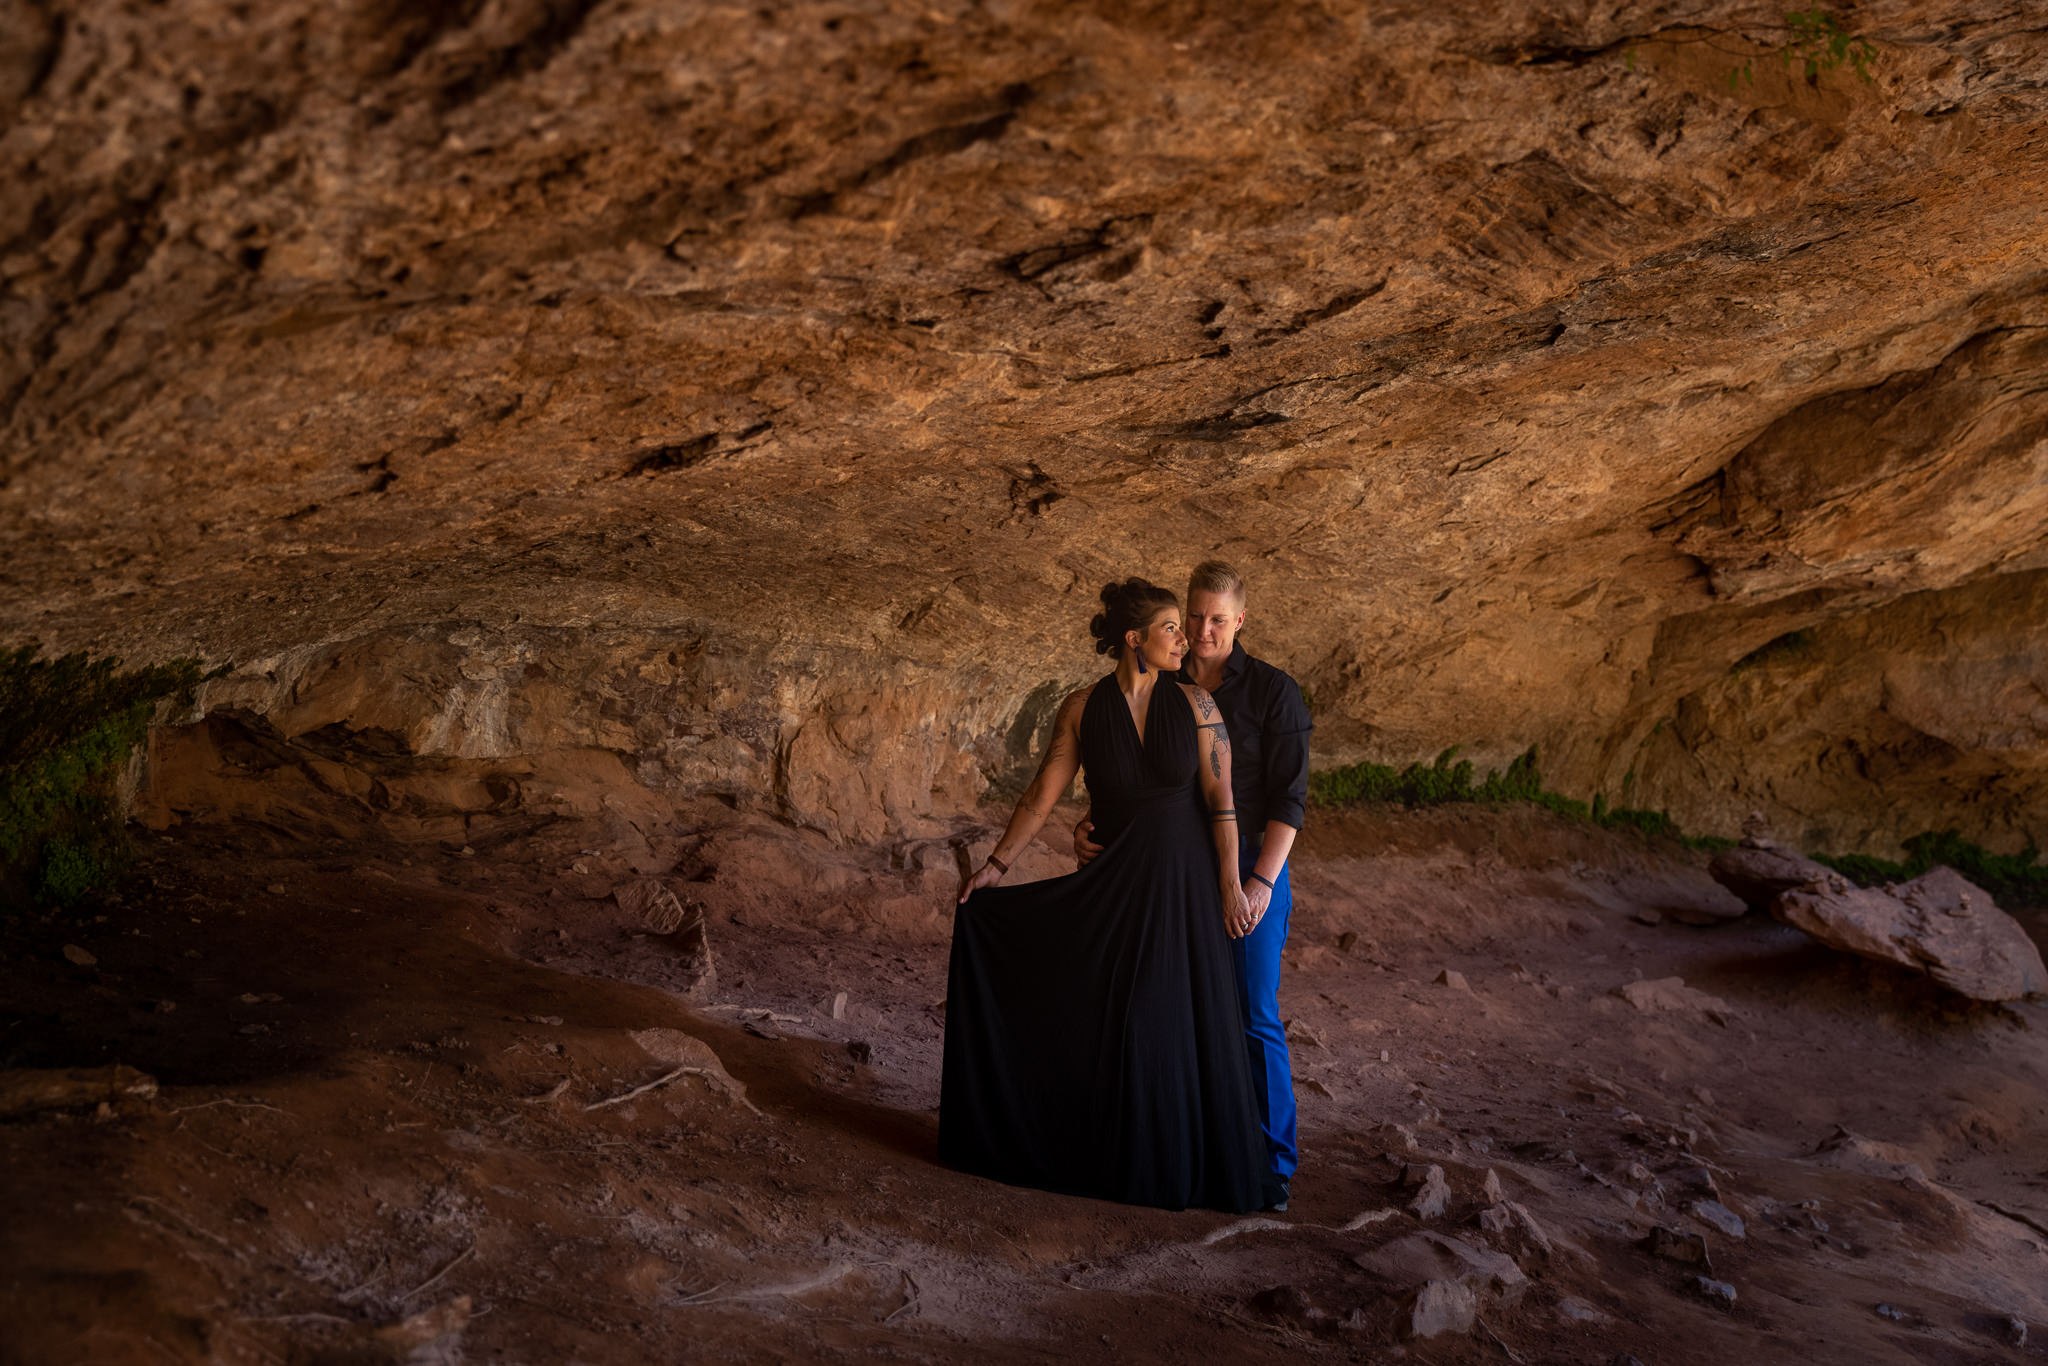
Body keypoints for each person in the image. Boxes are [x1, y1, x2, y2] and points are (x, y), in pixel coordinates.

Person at [940, 578, 1285, 1214]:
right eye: (1171, 629)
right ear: (1135, 640)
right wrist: (995, 866)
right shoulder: (1080, 708)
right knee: (1103, 1013)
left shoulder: (1200, 708)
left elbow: (1222, 804)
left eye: (1186, 628)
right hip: (1116, 881)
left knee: (1166, 1021)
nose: (1185, 640)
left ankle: (1172, 1168)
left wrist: (1232, 885)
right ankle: (1102, 1156)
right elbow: (1041, 794)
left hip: (1183, 887)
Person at [1075, 561, 1311, 1208]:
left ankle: (1273, 1163)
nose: (1202, 631)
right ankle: (1194, 1147)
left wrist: (1259, 884)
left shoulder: (1273, 692)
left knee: (1251, 1012)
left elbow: (1290, 800)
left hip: (1250, 868)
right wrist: (1094, 823)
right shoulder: (1162, 678)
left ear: (1240, 622)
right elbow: (1134, 773)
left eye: (1217, 620)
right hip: (1170, 870)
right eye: (1195, 616)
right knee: (1174, 1011)